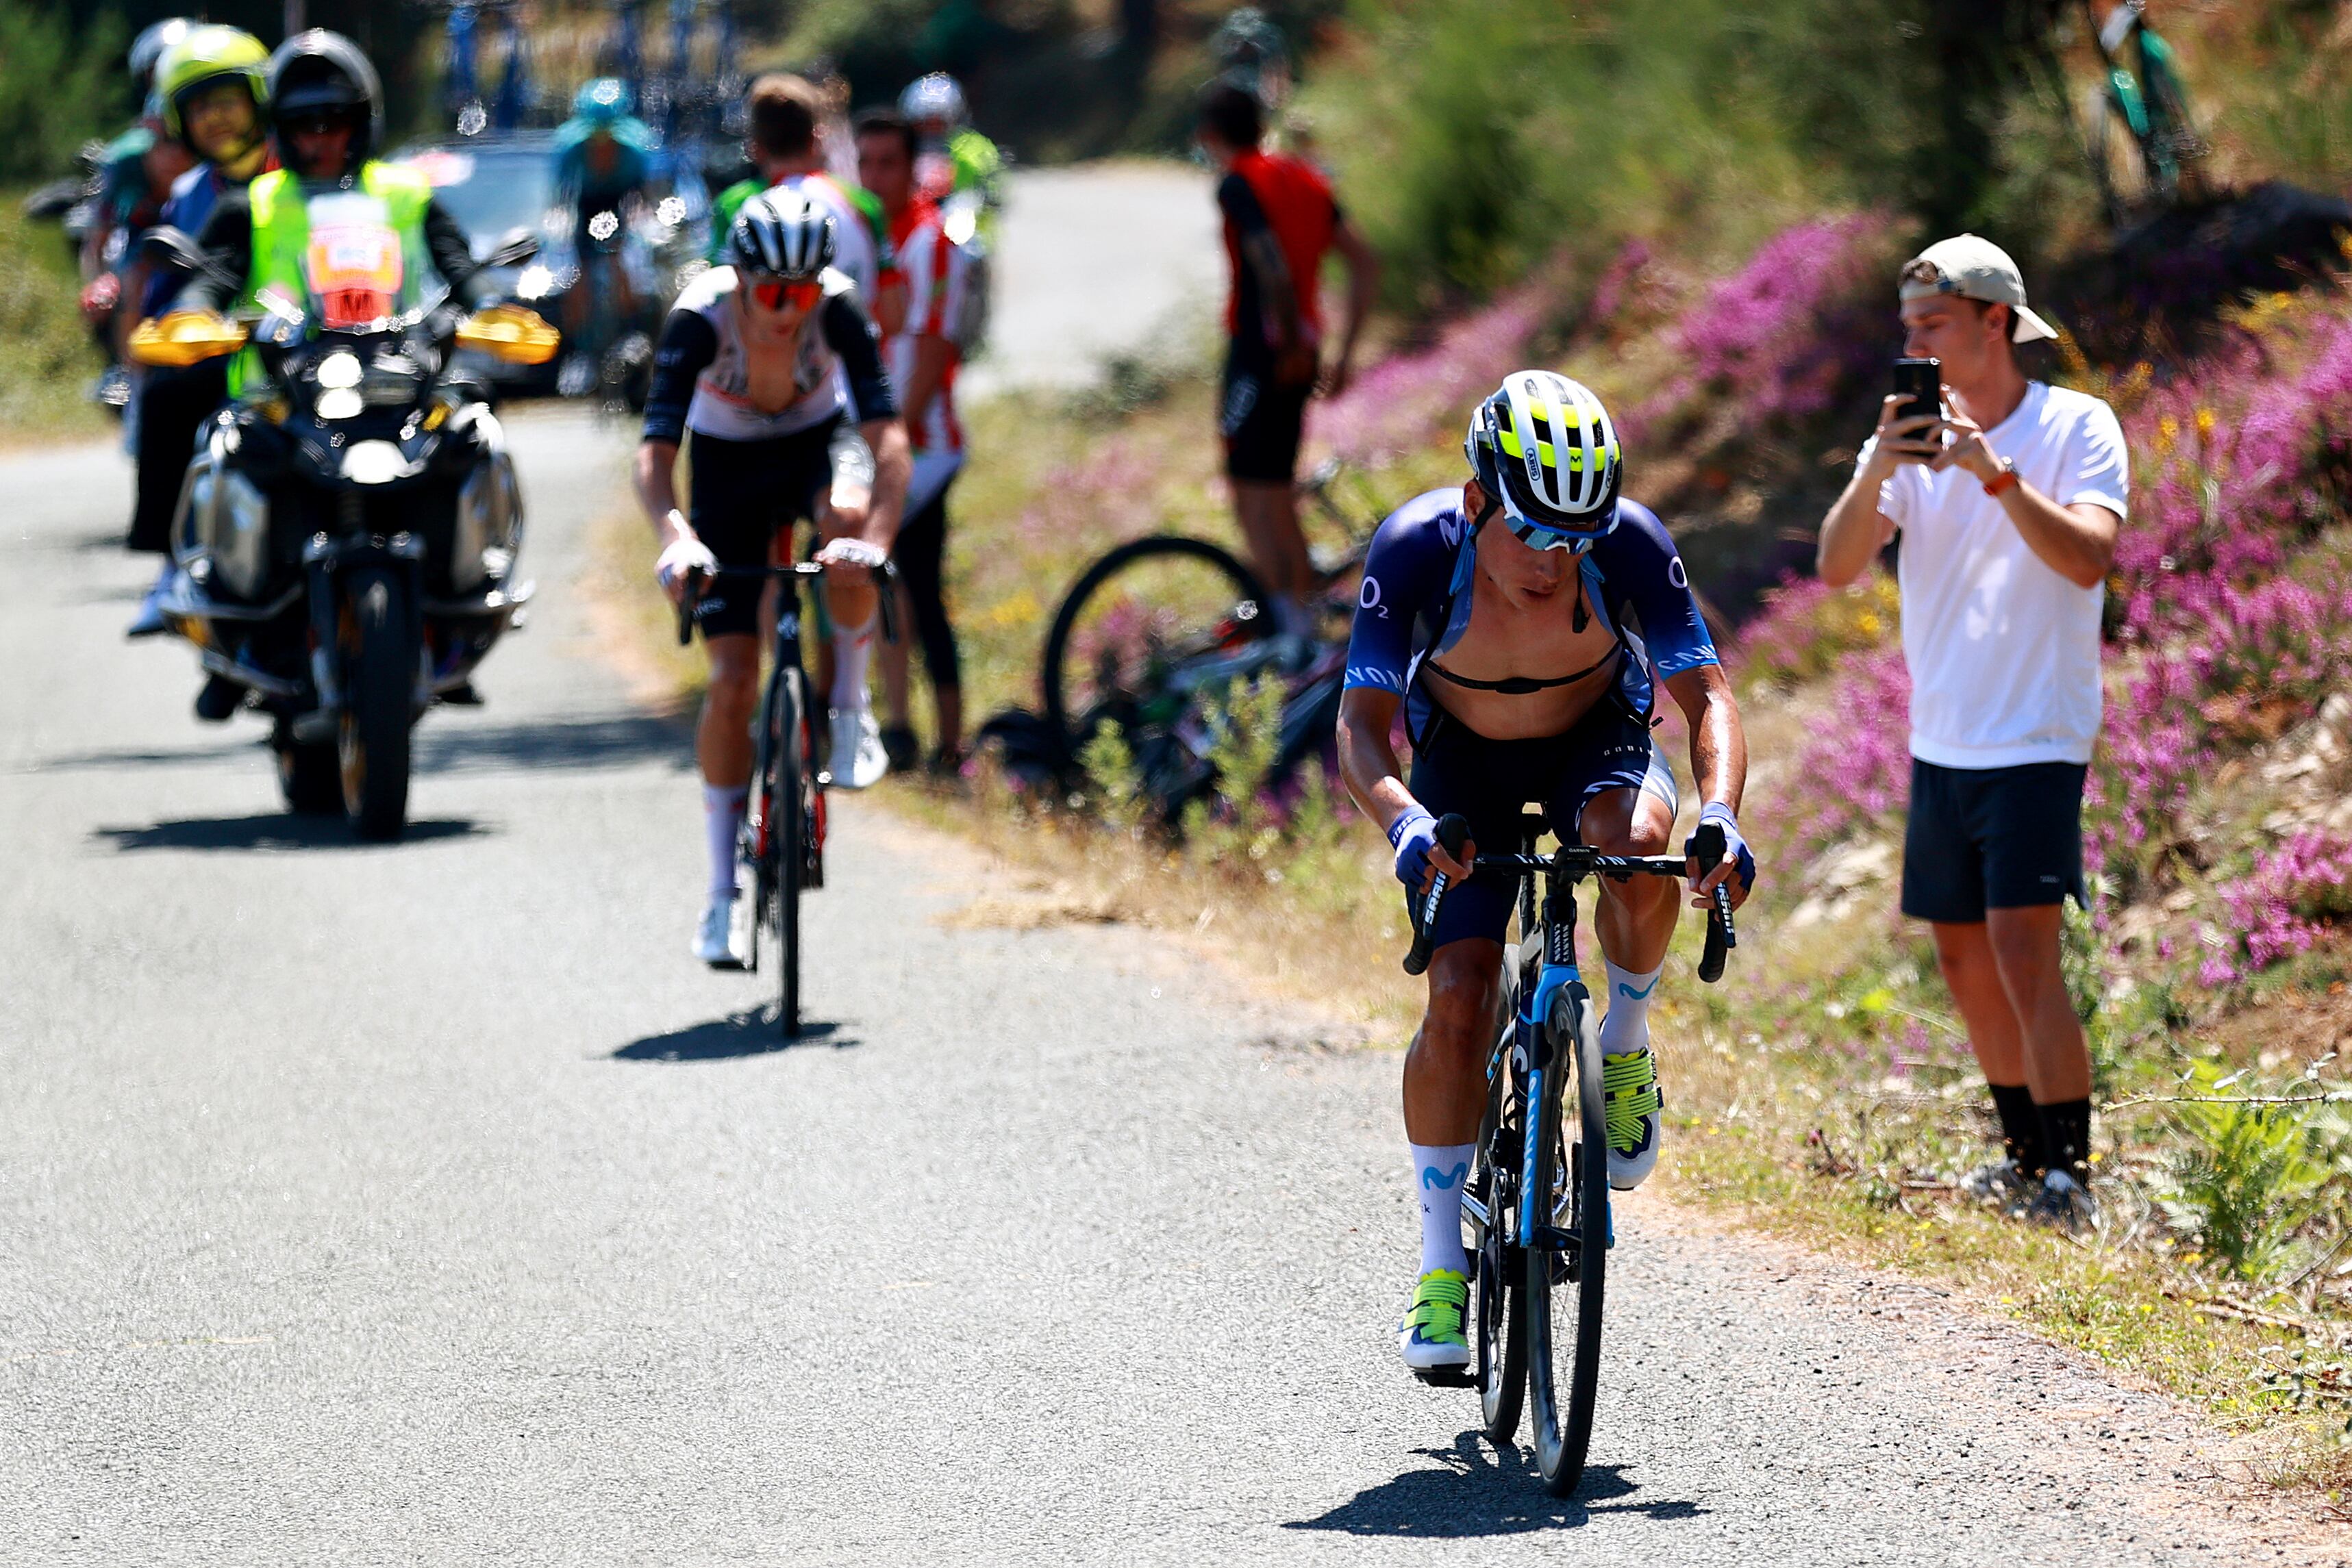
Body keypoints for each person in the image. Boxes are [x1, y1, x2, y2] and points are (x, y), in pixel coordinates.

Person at [1335, 372, 1755, 1376]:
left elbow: (1709, 701)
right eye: (1532, 532)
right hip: (1459, 772)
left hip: (1592, 747)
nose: (1555, 560)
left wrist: (1723, 815)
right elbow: (1356, 728)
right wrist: (1402, 820)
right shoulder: (1414, 549)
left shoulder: (1630, 545)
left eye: (1578, 539)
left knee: (1639, 839)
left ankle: (1624, 1037)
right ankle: (1441, 1271)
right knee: (1459, 1001)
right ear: (1478, 500)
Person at [1815, 236, 2127, 1235]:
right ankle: (2022, 1156)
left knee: (2022, 953)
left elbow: (2086, 558)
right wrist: (1878, 466)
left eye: (1931, 324)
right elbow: (1834, 566)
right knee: (1959, 959)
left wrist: (1991, 473)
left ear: (1994, 321)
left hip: (2035, 732)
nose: (1912, 342)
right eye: (1906, 326)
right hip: (1940, 736)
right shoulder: (1908, 442)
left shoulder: (2074, 425)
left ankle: (2072, 1177)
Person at [634, 191, 913, 965]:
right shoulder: (699, 318)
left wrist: (878, 543)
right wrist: (675, 536)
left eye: (804, 290)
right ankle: (720, 895)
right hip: (726, 468)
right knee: (730, 682)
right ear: (740, 279)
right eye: (772, 292)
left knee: (847, 520)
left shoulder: (839, 311)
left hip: (816, 447)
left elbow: (888, 440)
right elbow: (654, 454)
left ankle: (851, 711)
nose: (789, 309)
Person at [1193, 81, 1375, 644]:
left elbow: (1268, 265)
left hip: (1261, 353)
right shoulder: (1307, 179)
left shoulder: (1238, 183)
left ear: (1211, 135)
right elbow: (1365, 262)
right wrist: (1341, 353)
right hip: (1302, 349)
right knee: (1277, 489)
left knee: (1254, 495)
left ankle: (1293, 632)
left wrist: (1288, 345)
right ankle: (1303, 624)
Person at [124, 24, 276, 640]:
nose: (216, 119)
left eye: (228, 101)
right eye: (198, 108)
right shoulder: (190, 193)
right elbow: (170, 289)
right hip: (232, 352)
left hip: (323, 344)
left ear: (259, 101)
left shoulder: (301, 168)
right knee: (166, 394)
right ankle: (172, 566)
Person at [855, 108, 973, 775]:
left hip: (923, 448)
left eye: (887, 164)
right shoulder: (865, 237)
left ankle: (947, 739)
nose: (875, 177)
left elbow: (932, 346)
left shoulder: (931, 242)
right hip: (883, 445)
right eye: (865, 163)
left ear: (910, 166)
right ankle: (898, 727)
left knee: (920, 590)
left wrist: (893, 436)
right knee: (885, 584)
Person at [708, 75, 890, 323]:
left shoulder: (734, 206)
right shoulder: (863, 203)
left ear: (755, 148)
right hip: (849, 357)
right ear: (815, 140)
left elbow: (719, 308)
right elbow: (894, 314)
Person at [550, 77, 655, 383]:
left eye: (608, 135)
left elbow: (642, 196)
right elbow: (561, 196)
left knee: (623, 266)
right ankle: (577, 349)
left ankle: (630, 331)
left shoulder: (633, 150)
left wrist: (637, 230)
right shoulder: (571, 149)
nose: (602, 142)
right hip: (587, 206)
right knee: (578, 274)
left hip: (619, 206)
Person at [897, 73, 1001, 238]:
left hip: (966, 232)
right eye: (923, 123)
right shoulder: (899, 149)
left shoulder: (974, 148)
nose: (931, 130)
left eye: (938, 123)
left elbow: (994, 189)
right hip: (913, 227)